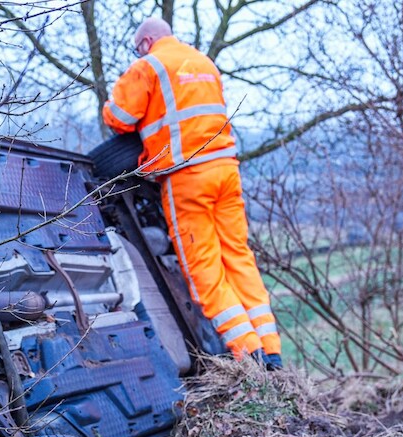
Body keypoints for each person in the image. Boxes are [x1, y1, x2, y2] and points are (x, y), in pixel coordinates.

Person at [102, 17, 282, 369]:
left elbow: (119, 117)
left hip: (188, 177)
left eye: (138, 46)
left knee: (203, 267)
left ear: (147, 40)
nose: (138, 51)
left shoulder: (148, 65)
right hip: (226, 170)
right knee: (238, 257)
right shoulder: (204, 63)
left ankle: (249, 354)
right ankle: (271, 348)